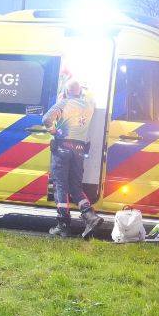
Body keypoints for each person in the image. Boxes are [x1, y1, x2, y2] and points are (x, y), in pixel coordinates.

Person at [42, 68, 103, 238]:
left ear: (67, 92)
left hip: (62, 148)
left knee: (60, 187)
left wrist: (53, 130)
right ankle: (90, 216)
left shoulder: (63, 104)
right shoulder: (89, 104)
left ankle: (63, 225)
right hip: (79, 150)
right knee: (75, 187)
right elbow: (88, 93)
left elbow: (46, 119)